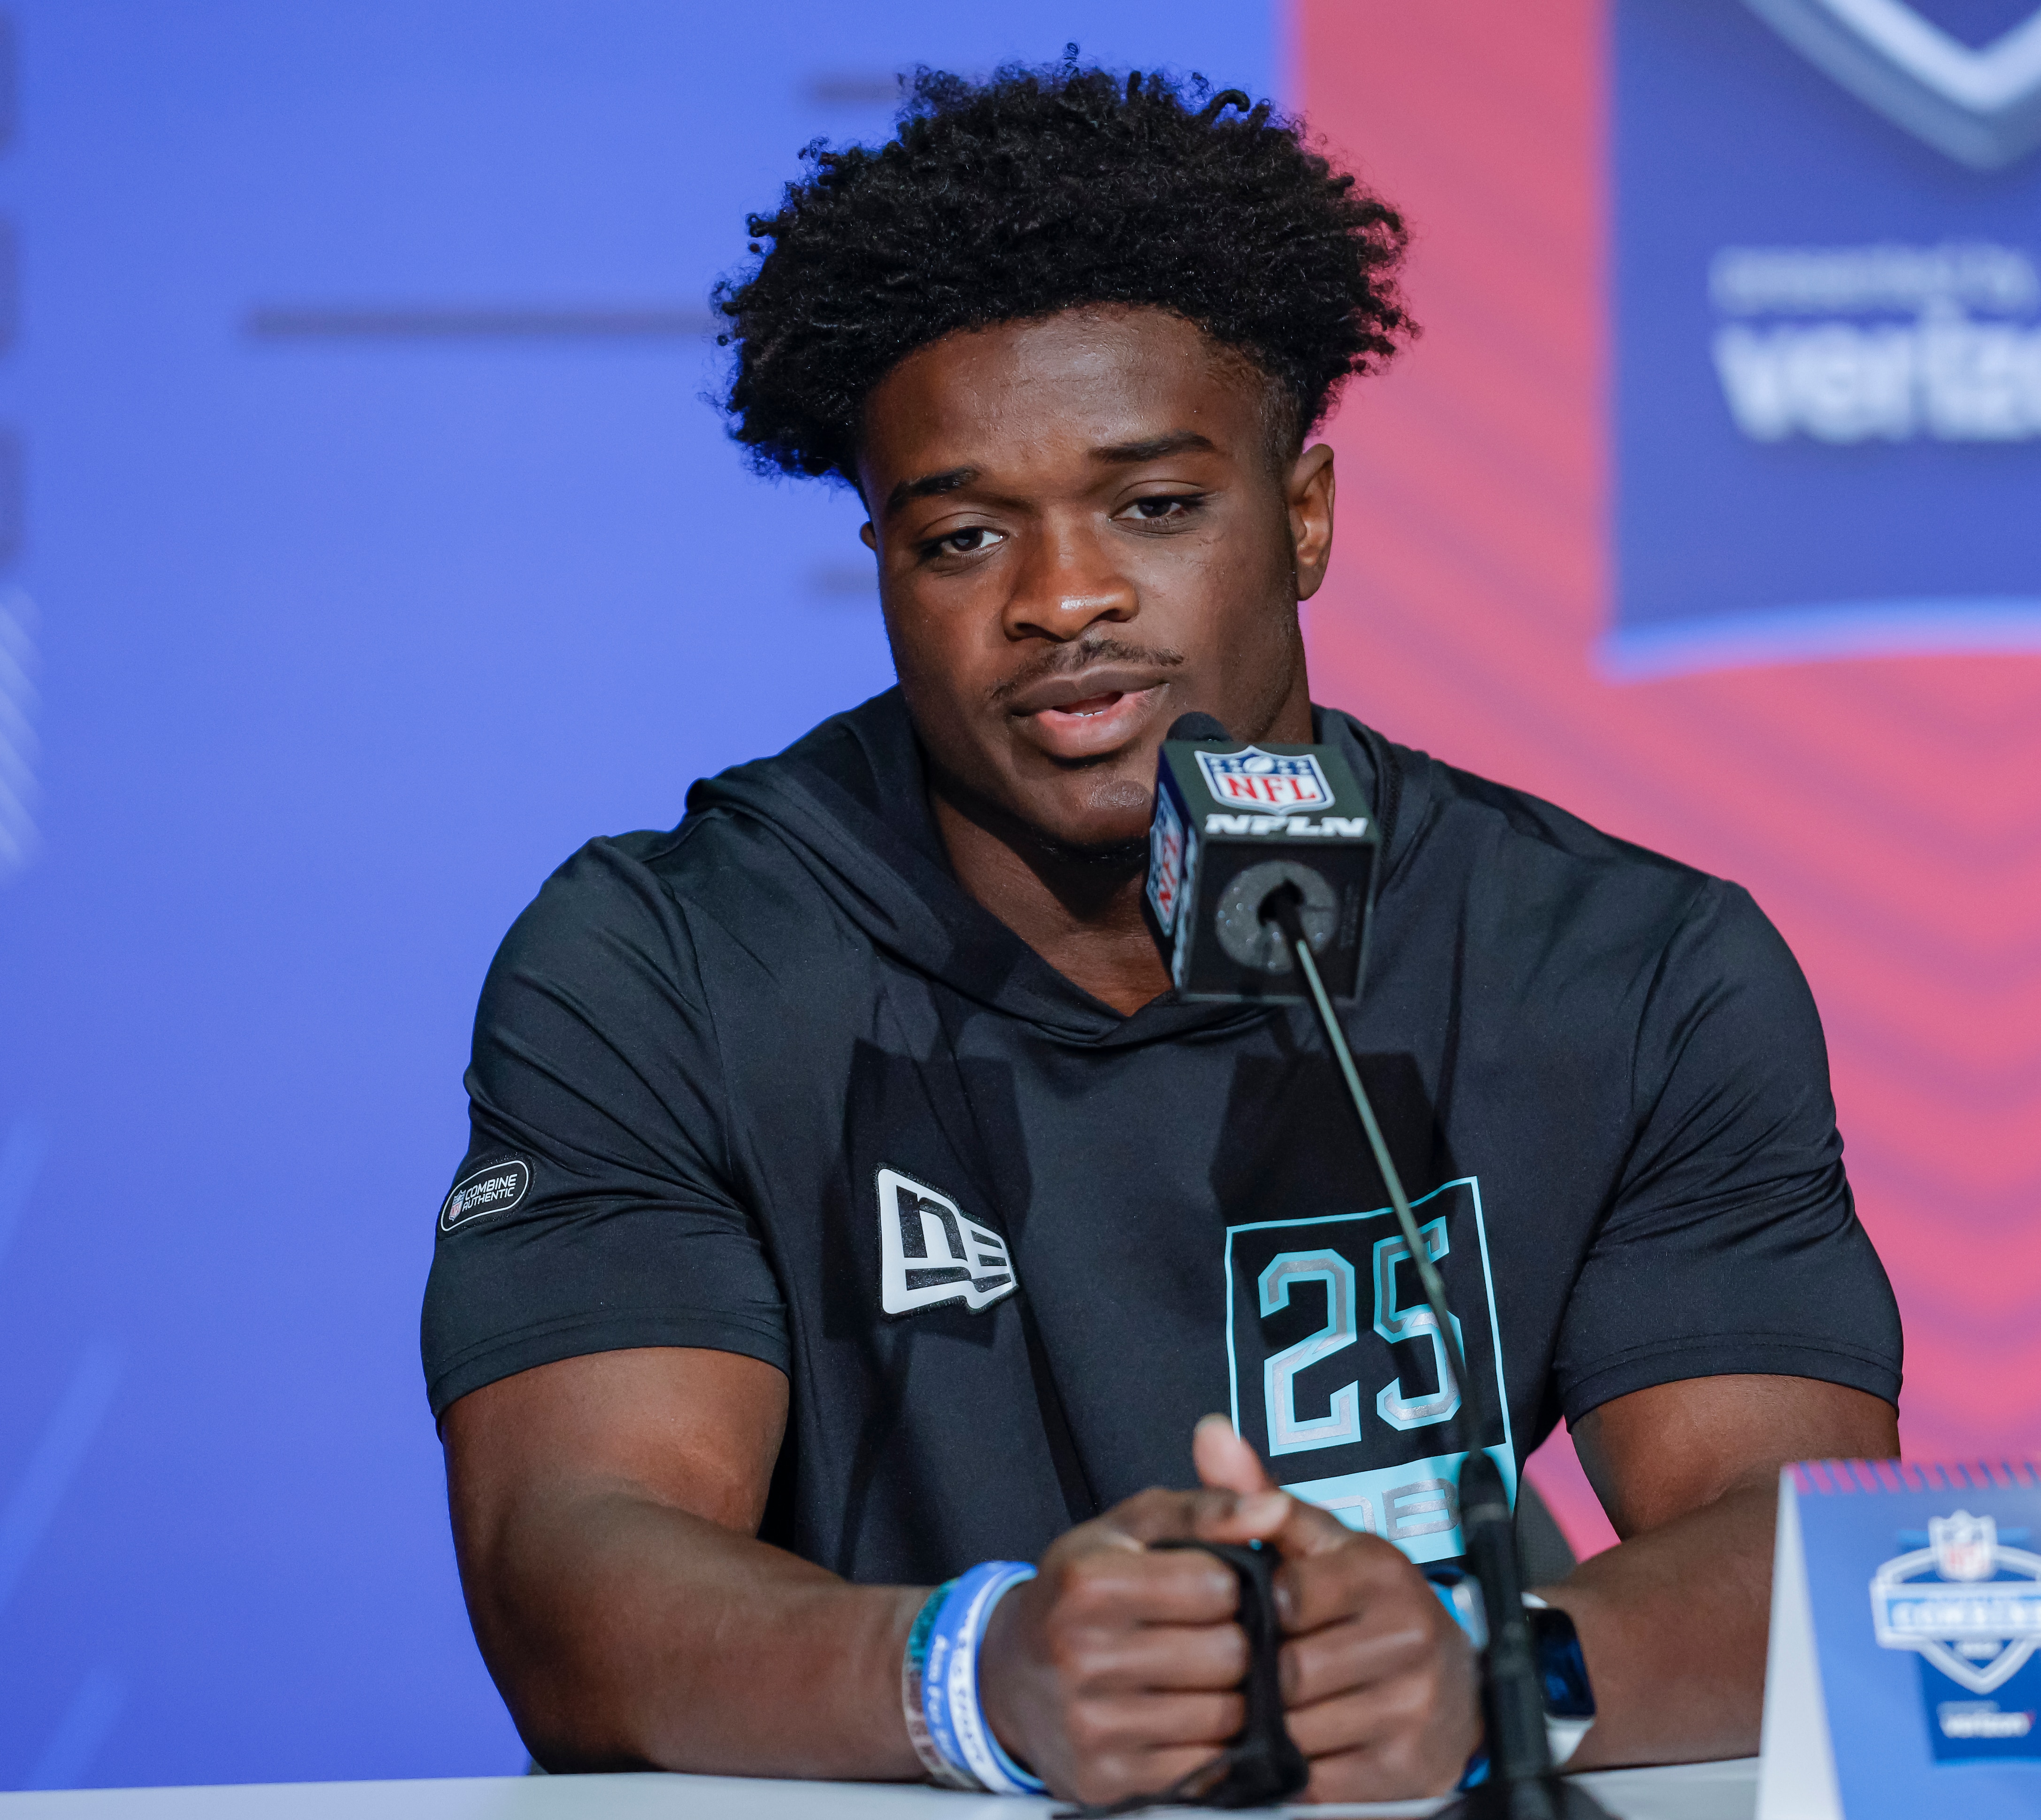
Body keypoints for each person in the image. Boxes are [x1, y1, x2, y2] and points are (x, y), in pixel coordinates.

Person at [422, 62, 1902, 1805]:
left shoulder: (1629, 966)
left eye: (1153, 505)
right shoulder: (662, 962)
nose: (1061, 598)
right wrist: (981, 1673)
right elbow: (571, 1565)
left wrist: (1499, 1675)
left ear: (1307, 516)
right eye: (963, 534)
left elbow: (1801, 1541)